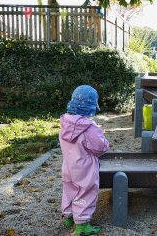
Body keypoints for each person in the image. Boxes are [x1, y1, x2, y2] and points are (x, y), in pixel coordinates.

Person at [59, 85, 109, 235]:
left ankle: (68, 218)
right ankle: (81, 226)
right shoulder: (89, 128)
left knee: (69, 189)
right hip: (84, 167)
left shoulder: (64, 123)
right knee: (85, 192)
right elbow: (100, 147)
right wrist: (106, 143)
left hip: (68, 165)